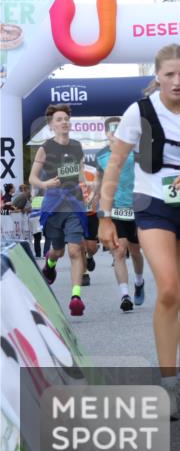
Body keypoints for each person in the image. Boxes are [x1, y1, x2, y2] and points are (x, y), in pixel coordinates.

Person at [97, 43, 180, 418]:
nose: (176, 81)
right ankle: (168, 385)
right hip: (152, 204)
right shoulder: (138, 112)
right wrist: (105, 216)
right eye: (169, 74)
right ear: (157, 77)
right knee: (168, 289)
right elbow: (116, 164)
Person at [29, 104, 89, 316]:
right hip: (54, 206)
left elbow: (80, 173)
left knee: (74, 250)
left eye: (66, 119)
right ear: (52, 125)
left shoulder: (77, 146)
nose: (64, 122)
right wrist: (45, 185)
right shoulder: (45, 148)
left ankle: (76, 297)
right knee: (58, 250)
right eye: (59, 120)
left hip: (74, 204)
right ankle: (50, 263)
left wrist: (86, 183)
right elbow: (32, 178)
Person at [95, 115, 147, 312]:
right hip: (115, 209)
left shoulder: (134, 152)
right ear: (107, 133)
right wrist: (96, 199)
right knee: (119, 250)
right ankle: (125, 294)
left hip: (136, 208)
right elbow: (101, 181)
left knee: (135, 251)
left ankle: (139, 282)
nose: (115, 134)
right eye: (112, 130)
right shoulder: (101, 156)